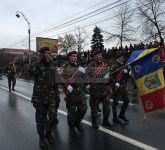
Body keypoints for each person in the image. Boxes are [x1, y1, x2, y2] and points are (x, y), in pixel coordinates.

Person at [30, 47, 58, 149]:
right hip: (40, 97)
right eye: (45, 53)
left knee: (52, 117)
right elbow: (29, 72)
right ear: (41, 54)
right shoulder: (37, 65)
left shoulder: (52, 65)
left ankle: (48, 133)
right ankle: (41, 137)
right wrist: (38, 61)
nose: (47, 55)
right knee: (41, 119)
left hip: (50, 96)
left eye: (48, 53)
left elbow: (56, 77)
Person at [61, 50, 87, 137]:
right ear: (69, 57)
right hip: (71, 93)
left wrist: (84, 74)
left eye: (76, 56)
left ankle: (77, 123)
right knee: (71, 112)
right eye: (73, 56)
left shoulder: (79, 67)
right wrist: (66, 86)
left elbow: (83, 79)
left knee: (83, 109)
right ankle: (71, 127)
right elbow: (60, 78)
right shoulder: (65, 67)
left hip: (80, 93)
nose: (75, 58)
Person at [86, 50, 112, 129]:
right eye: (98, 55)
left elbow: (108, 75)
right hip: (95, 90)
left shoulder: (104, 65)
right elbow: (86, 77)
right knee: (94, 107)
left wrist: (108, 78)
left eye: (100, 55)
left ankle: (105, 121)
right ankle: (94, 122)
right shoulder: (90, 65)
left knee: (107, 106)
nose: (99, 56)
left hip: (104, 89)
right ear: (94, 56)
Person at [110, 53, 130, 124]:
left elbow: (126, 77)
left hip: (123, 86)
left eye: (123, 57)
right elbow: (110, 76)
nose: (123, 58)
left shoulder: (124, 66)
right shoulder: (114, 66)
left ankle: (121, 114)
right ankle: (115, 117)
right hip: (117, 86)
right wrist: (115, 82)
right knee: (115, 102)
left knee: (127, 100)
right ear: (117, 58)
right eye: (121, 57)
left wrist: (128, 73)